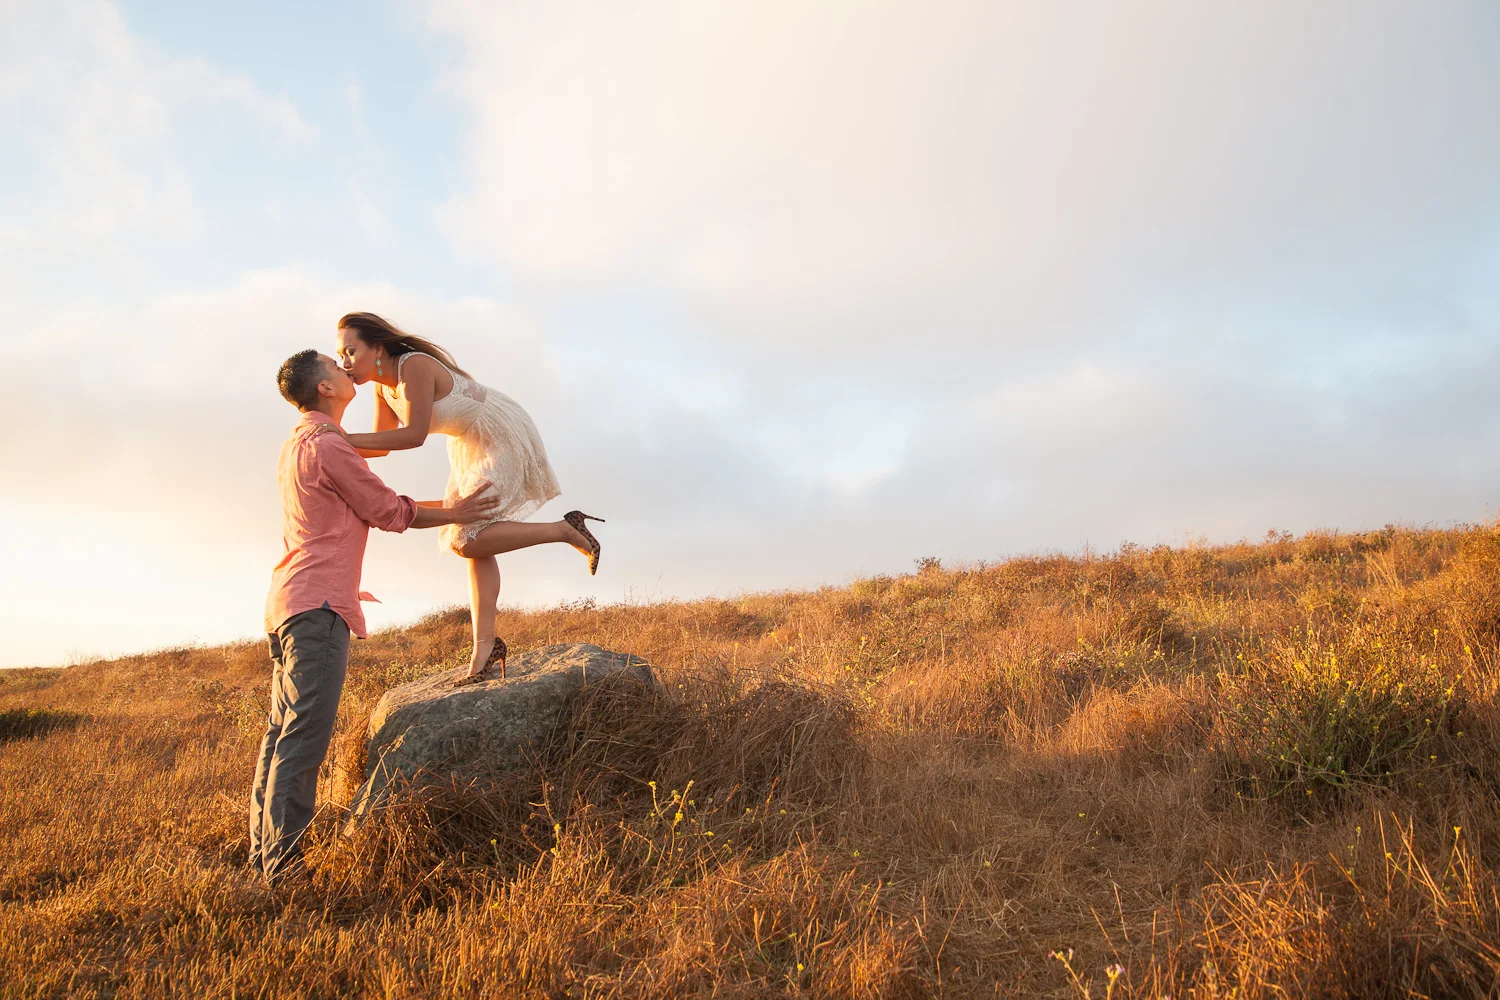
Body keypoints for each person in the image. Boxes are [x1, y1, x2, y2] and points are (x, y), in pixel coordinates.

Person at [252, 349, 501, 885]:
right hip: (315, 609)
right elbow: (387, 510)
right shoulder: (329, 445)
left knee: (281, 736)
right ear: (324, 389)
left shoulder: (296, 443)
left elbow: (320, 522)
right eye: (335, 367)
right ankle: (284, 872)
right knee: (302, 741)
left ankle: (264, 859)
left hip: (292, 600)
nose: (346, 369)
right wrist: (457, 511)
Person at [332, 312, 603, 684]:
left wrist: (341, 438)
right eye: (340, 355)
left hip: (499, 431)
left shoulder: (414, 366)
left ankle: (565, 529)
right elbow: (380, 448)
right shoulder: (383, 387)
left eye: (351, 351)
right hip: (468, 443)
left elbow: (413, 436)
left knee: (468, 538)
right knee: (471, 537)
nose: (345, 362)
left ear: (377, 348)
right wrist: (330, 441)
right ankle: (485, 648)